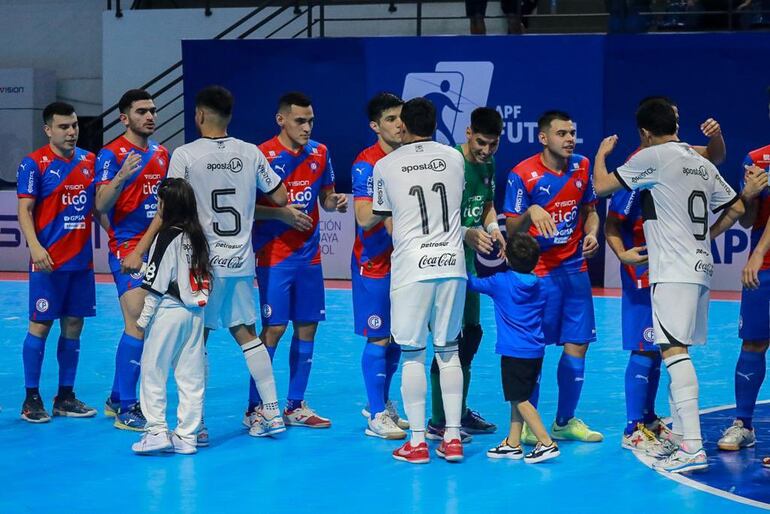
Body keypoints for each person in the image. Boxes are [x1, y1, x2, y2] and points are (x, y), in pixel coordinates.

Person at [593, 99, 745, 473]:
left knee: (673, 353)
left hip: (673, 269)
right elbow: (738, 207)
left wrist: (601, 153)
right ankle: (681, 436)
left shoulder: (653, 157)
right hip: (700, 267)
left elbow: (600, 187)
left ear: (644, 133)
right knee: (679, 349)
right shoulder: (699, 161)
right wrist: (707, 236)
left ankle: (692, 446)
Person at [167, 85, 288, 441]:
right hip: (240, 261)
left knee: (196, 340)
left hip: (201, 263)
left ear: (199, 115)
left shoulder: (185, 155)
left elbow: (171, 208)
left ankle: (197, 424)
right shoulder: (250, 152)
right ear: (230, 116)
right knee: (247, 335)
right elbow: (280, 195)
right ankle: (272, 412)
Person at [372, 97, 467, 464]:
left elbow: (385, 215)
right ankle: (454, 438)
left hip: (413, 267)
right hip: (452, 264)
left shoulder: (385, 165)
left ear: (403, 126)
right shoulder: (455, 157)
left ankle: (416, 442)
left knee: (412, 355)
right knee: (449, 351)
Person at [503, 110, 603, 444]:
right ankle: (530, 425)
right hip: (538, 273)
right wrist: (531, 210)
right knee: (534, 350)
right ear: (543, 137)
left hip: (574, 269)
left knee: (578, 344)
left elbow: (590, 210)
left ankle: (564, 420)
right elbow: (512, 227)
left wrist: (592, 232)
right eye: (562, 133)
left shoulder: (583, 166)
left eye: (572, 132)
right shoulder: (523, 174)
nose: (570, 139)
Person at [250, 91, 348, 429]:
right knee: (274, 329)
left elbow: (326, 197)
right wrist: (281, 215)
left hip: (310, 256)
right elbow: (247, 208)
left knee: (307, 328)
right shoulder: (262, 155)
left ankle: (295, 405)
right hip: (274, 255)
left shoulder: (320, 152)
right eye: (299, 121)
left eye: (310, 121)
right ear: (281, 120)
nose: (307, 127)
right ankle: (256, 407)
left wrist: (335, 202)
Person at [16, 101, 98, 422]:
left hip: (81, 262)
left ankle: (65, 396)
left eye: (75, 125)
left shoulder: (89, 161)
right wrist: (34, 247)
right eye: (64, 127)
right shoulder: (33, 164)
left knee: (74, 325)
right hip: (48, 261)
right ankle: (30, 398)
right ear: (48, 129)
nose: (71, 132)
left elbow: (98, 207)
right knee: (40, 324)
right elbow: (25, 210)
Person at [428, 107, 505, 440]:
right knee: (446, 342)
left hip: (467, 267)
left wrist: (493, 227)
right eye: (481, 143)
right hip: (439, 265)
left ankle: (457, 411)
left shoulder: (488, 165)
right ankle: (438, 420)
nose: (486, 151)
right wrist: (466, 233)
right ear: (468, 132)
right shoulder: (449, 164)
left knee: (470, 338)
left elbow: (486, 202)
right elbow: (433, 217)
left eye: (493, 144)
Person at [96, 89, 169, 431]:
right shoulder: (110, 154)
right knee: (138, 321)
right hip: (127, 247)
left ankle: (115, 396)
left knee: (146, 323)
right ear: (124, 117)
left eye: (153, 110)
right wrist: (122, 175)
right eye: (142, 111)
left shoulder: (163, 154)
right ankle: (127, 407)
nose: (150, 116)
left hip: (158, 244)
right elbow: (100, 205)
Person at [131, 178, 211, 455]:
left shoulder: (165, 236)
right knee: (190, 377)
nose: (158, 206)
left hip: (169, 312)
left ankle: (155, 431)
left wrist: (142, 323)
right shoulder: (198, 236)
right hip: (196, 315)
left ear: (169, 204)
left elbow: (156, 286)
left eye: (160, 201)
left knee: (153, 371)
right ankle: (187, 437)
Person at [470, 233, 560, 464]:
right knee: (518, 397)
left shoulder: (501, 282)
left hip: (513, 352)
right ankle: (512, 442)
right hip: (535, 351)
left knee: (520, 399)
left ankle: (546, 442)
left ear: (508, 258)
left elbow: (470, 282)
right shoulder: (541, 285)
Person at [351, 92, 408, 440]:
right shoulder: (366, 163)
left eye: (401, 117)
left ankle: (384, 403)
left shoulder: (408, 158)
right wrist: (393, 202)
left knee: (399, 338)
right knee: (379, 336)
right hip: (373, 264)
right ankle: (375, 415)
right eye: (390, 119)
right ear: (375, 126)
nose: (399, 124)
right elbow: (362, 216)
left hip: (405, 263)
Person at [717, 118, 770, 452]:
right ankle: (743, 424)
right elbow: (749, 219)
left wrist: (757, 253)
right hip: (763, 270)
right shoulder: (756, 158)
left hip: (760, 259)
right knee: (753, 342)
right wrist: (751, 195)